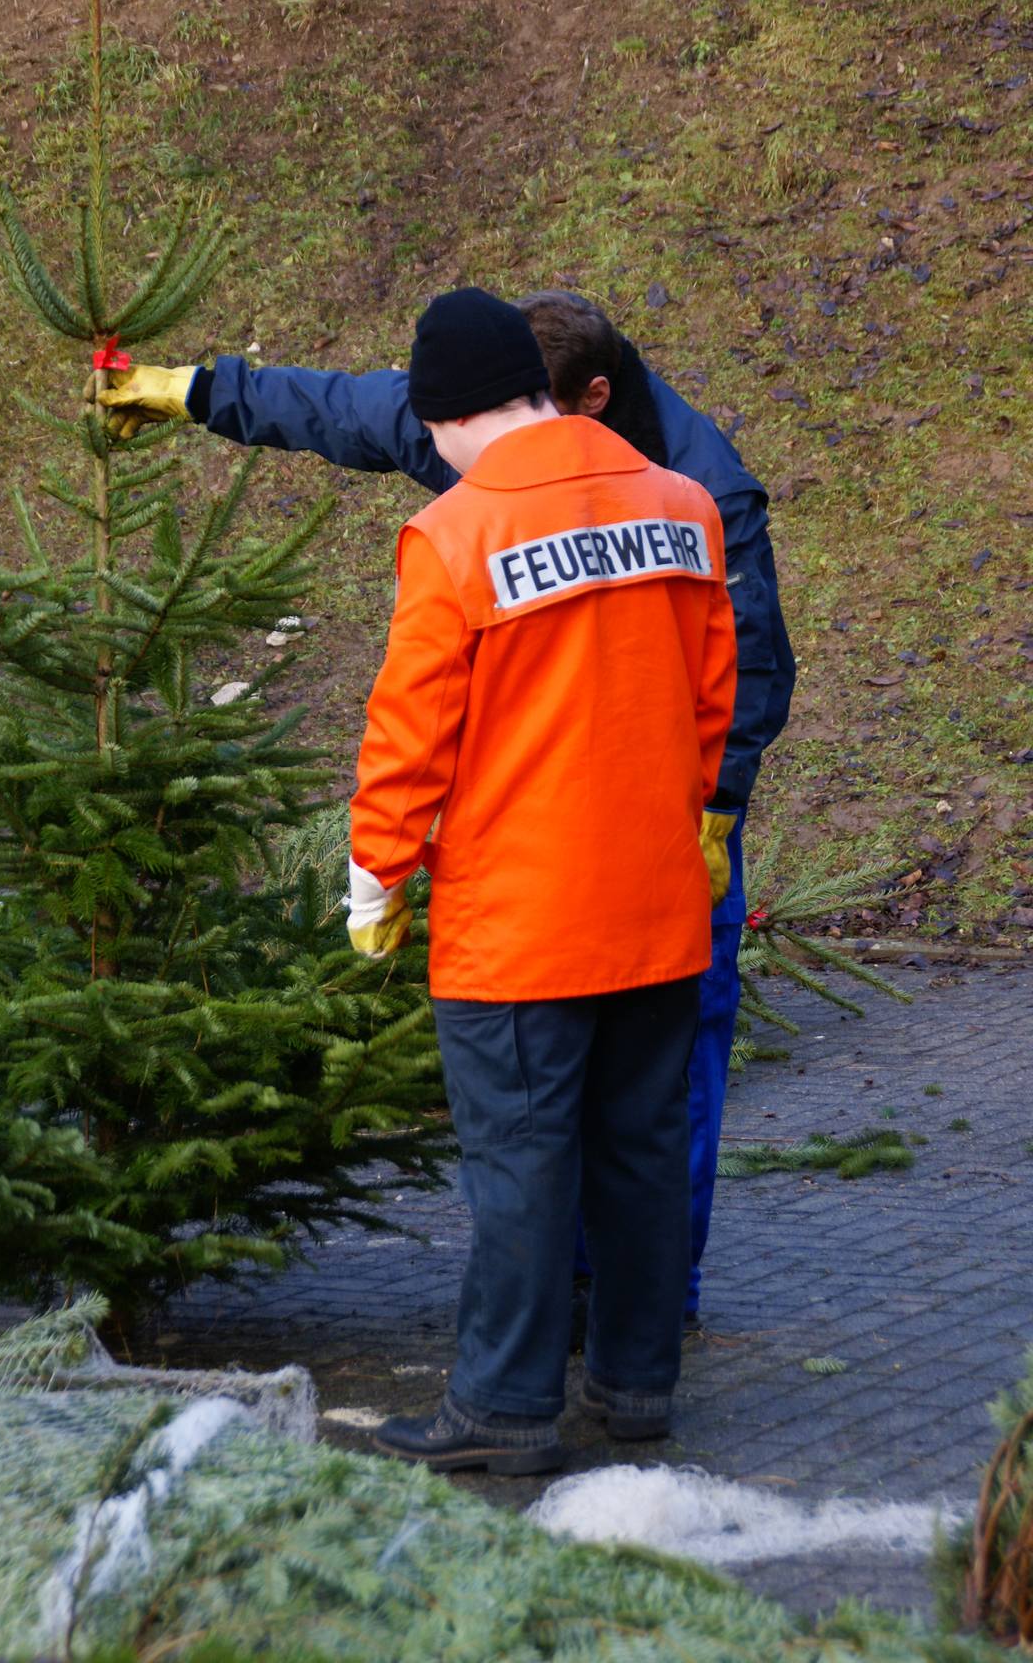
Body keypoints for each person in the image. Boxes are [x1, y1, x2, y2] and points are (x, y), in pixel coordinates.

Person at [93, 290, 794, 1321]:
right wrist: (194, 391)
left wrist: (717, 808)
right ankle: (573, 1307)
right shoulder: (485, 409)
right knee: (573, 1108)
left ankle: (648, 1307)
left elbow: (746, 664)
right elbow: (340, 409)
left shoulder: (699, 488)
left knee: (664, 1095)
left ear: (587, 399)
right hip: (546, 844)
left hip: (667, 833)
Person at [340, 286, 736, 1471]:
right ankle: (636, 1384)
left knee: (521, 1167)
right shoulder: (683, 506)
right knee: (640, 1150)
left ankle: (504, 1407)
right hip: (658, 910)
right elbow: (711, 700)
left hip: (519, 929)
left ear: (453, 414)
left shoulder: (456, 535)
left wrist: (375, 879)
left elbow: (409, 736)